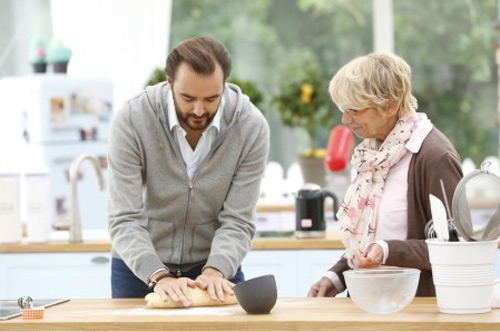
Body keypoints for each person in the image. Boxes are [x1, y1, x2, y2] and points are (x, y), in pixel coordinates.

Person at [108, 37, 270, 306]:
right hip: (139, 269)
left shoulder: (250, 127)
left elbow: (238, 219)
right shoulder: (132, 119)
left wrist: (216, 269)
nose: (198, 110)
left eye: (211, 98)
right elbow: (124, 217)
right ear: (169, 82)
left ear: (224, 84)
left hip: (216, 268)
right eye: (188, 98)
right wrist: (159, 276)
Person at [308, 52, 463, 298]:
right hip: (370, 303)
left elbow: (456, 246)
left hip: (417, 312)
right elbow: (370, 235)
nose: (345, 119)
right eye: (342, 108)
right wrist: (336, 276)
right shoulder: (373, 154)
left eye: (354, 110)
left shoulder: (434, 157)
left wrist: (389, 250)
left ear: (388, 105)